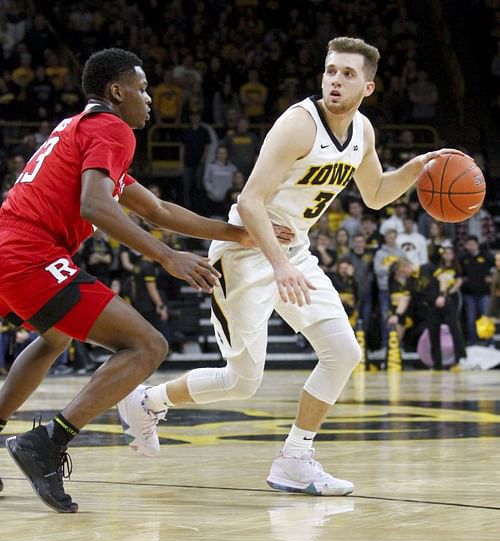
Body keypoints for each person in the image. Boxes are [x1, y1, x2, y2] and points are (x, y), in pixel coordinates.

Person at [122, 36, 456, 496]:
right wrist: (279, 267)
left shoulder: (363, 131)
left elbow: (376, 194)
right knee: (241, 383)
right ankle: (146, 400)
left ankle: (295, 459)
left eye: (348, 74)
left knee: (344, 352)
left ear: (369, 87)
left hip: (293, 251)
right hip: (246, 253)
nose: (336, 80)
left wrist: (414, 170)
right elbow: (250, 201)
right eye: (331, 70)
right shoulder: (299, 124)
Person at [0, 48, 293, 512]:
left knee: (54, 337)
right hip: (29, 252)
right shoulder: (112, 128)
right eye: (142, 88)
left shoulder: (83, 128)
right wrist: (166, 257)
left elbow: (159, 210)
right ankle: (47, 444)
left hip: (10, 242)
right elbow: (94, 206)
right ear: (117, 92)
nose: (150, 98)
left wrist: (242, 234)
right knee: (147, 346)